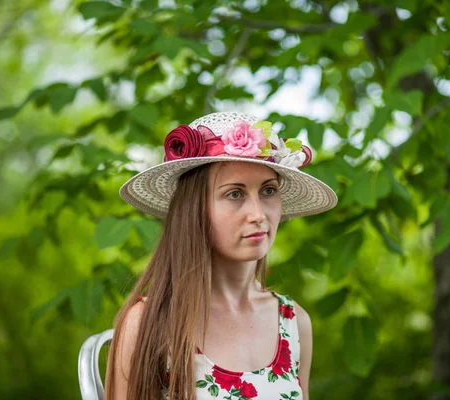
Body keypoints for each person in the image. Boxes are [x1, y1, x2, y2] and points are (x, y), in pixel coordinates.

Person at [104, 111, 338, 400]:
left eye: (268, 190)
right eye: (235, 194)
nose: (258, 214)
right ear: (194, 209)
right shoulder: (152, 323)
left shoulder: (293, 323)